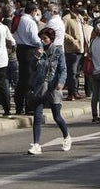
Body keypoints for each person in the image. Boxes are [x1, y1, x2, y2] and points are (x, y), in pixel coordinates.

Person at [27, 27, 72, 155]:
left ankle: (67, 136)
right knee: (37, 116)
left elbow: (63, 69)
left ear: (51, 39)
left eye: (45, 38)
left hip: (53, 86)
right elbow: (32, 68)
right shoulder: (38, 51)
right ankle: (36, 144)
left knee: (56, 116)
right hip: (40, 86)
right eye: (41, 38)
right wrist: (36, 56)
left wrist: (61, 82)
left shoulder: (58, 51)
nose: (42, 41)